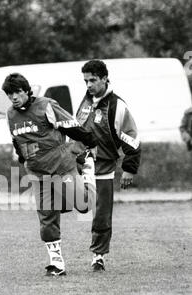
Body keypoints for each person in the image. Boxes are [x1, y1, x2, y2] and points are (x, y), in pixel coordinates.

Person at [2, 73, 98, 276]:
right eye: (10, 94)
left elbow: (70, 126)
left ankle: (87, 167)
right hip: (38, 173)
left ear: (27, 90)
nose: (14, 97)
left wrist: (90, 142)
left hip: (61, 166)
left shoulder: (46, 106)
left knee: (84, 206)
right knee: (46, 218)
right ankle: (57, 263)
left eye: (17, 92)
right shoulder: (11, 114)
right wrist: (22, 157)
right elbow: (16, 140)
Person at [75, 60, 141, 272]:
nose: (88, 84)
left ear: (104, 78)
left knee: (101, 213)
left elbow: (131, 137)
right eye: (85, 80)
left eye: (93, 80)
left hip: (103, 167)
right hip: (80, 165)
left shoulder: (117, 105)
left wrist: (129, 168)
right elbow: (76, 130)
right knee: (71, 203)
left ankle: (98, 255)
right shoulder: (85, 102)